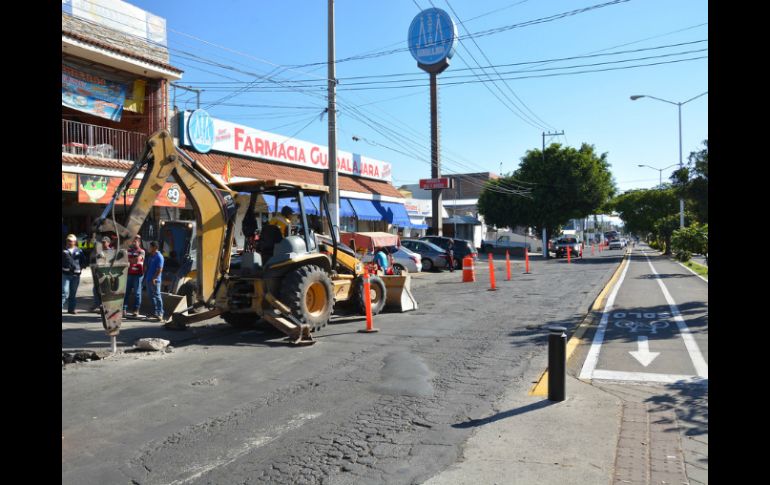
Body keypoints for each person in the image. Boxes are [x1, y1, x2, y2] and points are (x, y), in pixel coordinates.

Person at [62, 234, 88, 314]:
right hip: (65, 275)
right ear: (66, 241)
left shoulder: (79, 251)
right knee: (64, 293)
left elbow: (84, 261)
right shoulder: (63, 251)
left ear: (75, 242)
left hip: (76, 275)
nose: (70, 242)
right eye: (69, 241)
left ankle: (71, 309)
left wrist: (81, 267)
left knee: (73, 293)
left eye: (72, 241)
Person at [123, 235, 145, 317]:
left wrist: (129, 260)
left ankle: (136, 310)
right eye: (133, 240)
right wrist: (130, 260)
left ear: (139, 242)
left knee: (137, 293)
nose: (134, 241)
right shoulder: (128, 250)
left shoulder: (142, 251)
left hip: (138, 275)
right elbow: (123, 259)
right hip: (129, 273)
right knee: (126, 292)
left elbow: (137, 260)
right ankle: (124, 309)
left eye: (136, 240)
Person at [90, 237, 113, 312]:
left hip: (107, 274)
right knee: (96, 289)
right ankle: (98, 305)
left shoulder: (111, 251)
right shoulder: (99, 251)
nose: (103, 244)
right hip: (99, 273)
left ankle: (106, 307)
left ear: (108, 243)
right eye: (102, 242)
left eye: (104, 242)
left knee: (106, 291)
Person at [144, 240, 165, 321]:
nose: (149, 248)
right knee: (151, 296)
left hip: (155, 280)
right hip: (149, 279)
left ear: (155, 247)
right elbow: (148, 267)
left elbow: (160, 269)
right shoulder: (151, 256)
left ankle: (160, 313)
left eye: (151, 247)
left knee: (157, 296)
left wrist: (154, 278)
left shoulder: (159, 257)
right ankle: (155, 313)